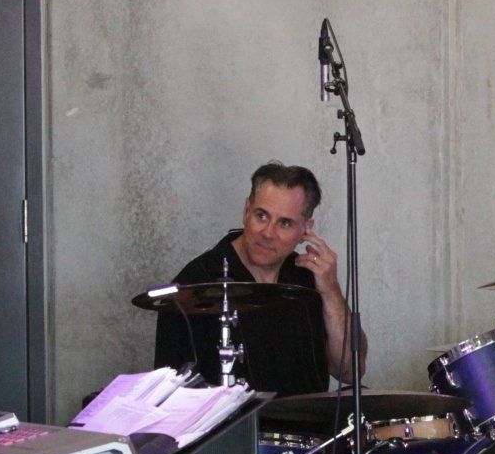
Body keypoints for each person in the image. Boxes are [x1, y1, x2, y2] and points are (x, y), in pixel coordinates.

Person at [153, 161, 361, 397]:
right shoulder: (195, 284)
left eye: (285, 223)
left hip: (311, 430)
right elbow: (170, 399)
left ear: (306, 230)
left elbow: (350, 371)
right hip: (233, 432)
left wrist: (331, 291)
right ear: (246, 211)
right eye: (261, 216)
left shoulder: (308, 278)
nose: (268, 233)